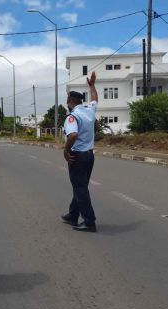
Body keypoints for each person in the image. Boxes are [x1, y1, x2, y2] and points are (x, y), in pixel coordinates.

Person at [61, 71, 98, 232]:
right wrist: (92, 86)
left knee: (80, 188)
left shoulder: (72, 117)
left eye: (67, 100)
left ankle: (89, 222)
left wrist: (66, 150)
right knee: (80, 186)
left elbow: (73, 134)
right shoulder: (89, 110)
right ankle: (73, 214)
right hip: (89, 155)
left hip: (77, 156)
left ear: (70, 101)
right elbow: (95, 99)